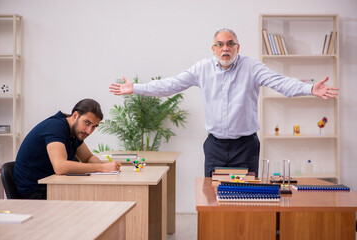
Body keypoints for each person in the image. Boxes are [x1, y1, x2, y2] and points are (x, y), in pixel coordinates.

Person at [109, 28, 339, 177]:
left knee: (246, 197)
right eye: (220, 44)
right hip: (215, 146)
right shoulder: (202, 69)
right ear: (214, 48)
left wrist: (310, 88)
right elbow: (170, 85)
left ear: (238, 47)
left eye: (230, 43)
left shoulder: (252, 68)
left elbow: (281, 83)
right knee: (212, 198)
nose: (225, 48)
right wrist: (136, 88)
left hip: (245, 146)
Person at [14, 98, 121, 199]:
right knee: (95, 199)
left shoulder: (75, 131)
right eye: (87, 123)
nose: (89, 131)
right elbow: (60, 167)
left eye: (94, 126)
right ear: (75, 116)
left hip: (52, 186)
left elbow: (88, 157)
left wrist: (108, 168)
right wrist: (101, 168)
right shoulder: (55, 127)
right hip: (35, 192)